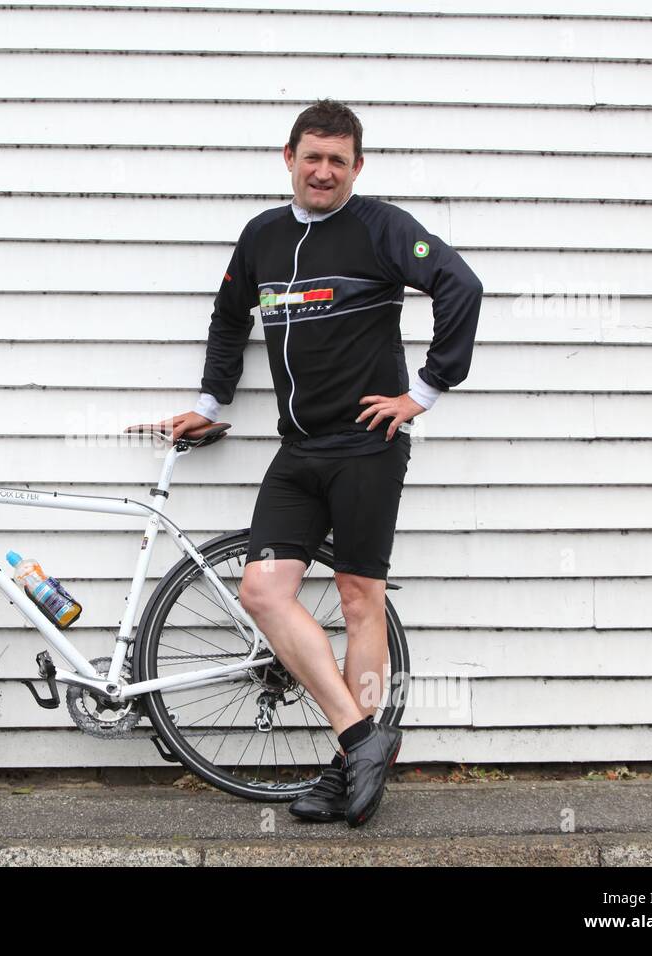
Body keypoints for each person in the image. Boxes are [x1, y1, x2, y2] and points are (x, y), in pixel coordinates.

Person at [159, 100, 483, 827]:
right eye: (313, 156)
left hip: (367, 444)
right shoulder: (263, 237)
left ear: (356, 168)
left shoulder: (382, 227)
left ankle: (346, 773)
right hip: (297, 448)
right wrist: (213, 404)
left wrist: (424, 392)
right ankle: (364, 740)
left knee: (360, 597)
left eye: (339, 160)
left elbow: (461, 286)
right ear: (289, 158)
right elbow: (228, 316)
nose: (324, 171)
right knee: (264, 593)